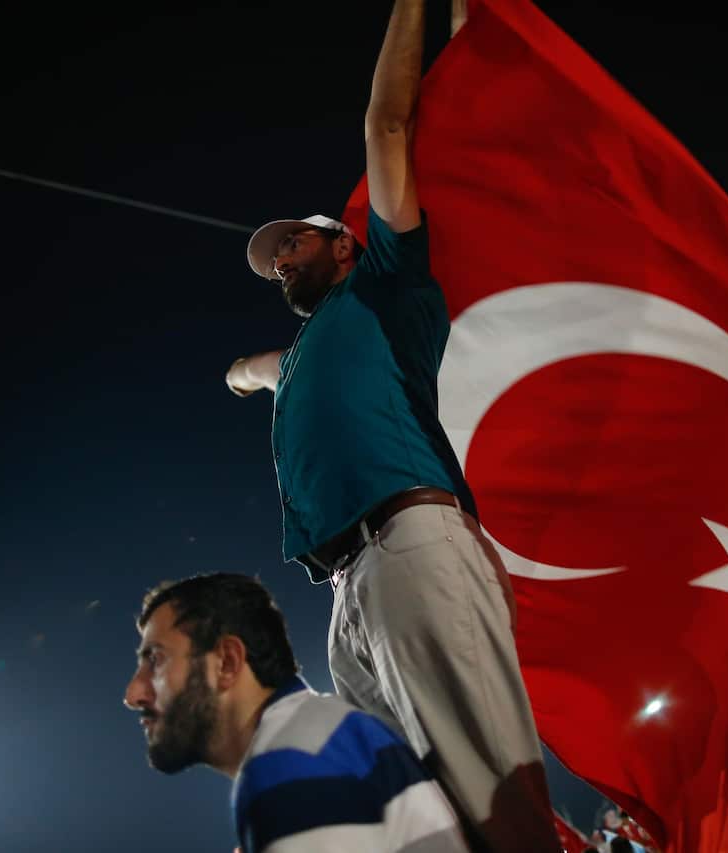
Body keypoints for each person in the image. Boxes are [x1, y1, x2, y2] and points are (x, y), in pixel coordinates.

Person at [222, 2, 559, 851]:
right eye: (274, 260)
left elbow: (387, 122)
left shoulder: (385, 285)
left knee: (492, 796)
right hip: (345, 589)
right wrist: (241, 373)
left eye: (295, 242)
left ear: (345, 245)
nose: (283, 258)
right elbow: (265, 368)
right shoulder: (304, 357)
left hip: (410, 538)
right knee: (412, 821)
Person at [122, 572, 468, 853]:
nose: (133, 694)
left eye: (156, 659)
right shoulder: (322, 733)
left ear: (227, 662)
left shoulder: (289, 761)